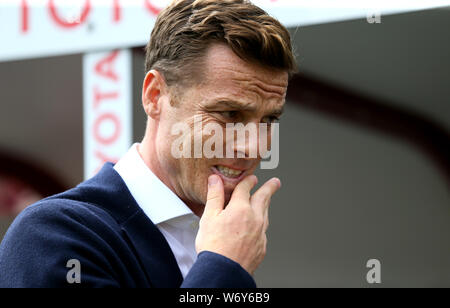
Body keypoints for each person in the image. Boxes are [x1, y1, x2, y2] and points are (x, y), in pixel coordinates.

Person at [0, 0, 296, 287]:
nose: (254, 148)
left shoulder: (225, 238)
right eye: (230, 113)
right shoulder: (51, 236)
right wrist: (223, 268)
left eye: (269, 120)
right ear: (155, 96)